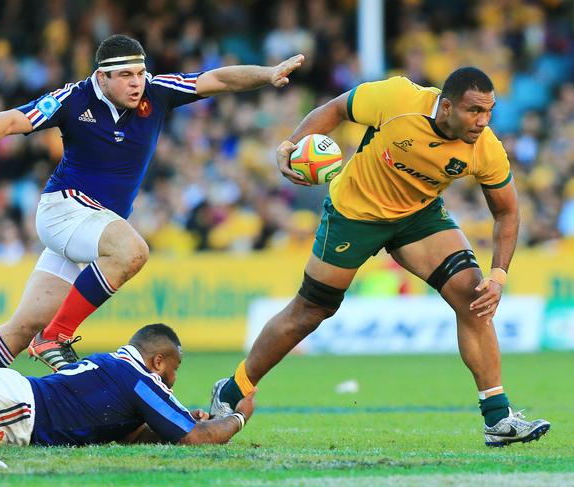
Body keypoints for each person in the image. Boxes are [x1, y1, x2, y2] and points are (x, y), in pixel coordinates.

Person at [209, 67, 550, 447]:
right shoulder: (398, 99)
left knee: (474, 299)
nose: (482, 121)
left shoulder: (485, 147)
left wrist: (499, 274)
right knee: (310, 312)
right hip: (354, 213)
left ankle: (498, 419)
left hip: (417, 217)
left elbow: (507, 212)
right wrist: (293, 143)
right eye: (474, 111)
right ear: (447, 105)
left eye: (489, 112)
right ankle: (232, 390)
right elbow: (337, 108)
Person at [0, 34, 304, 376]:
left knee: (23, 325)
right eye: (126, 76)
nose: (137, 83)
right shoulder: (74, 98)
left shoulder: (157, 91)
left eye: (139, 73)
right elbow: (14, 118)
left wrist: (267, 73)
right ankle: (55, 338)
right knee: (132, 250)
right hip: (64, 210)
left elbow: (219, 79)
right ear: (102, 77)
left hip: (91, 227)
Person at [0, 323, 255, 448]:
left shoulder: (110, 362)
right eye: (174, 367)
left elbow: (128, 431)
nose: (174, 377)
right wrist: (239, 417)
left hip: (1, 388)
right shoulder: (140, 381)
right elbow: (196, 437)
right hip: (13, 408)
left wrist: (169, 423)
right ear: (157, 361)